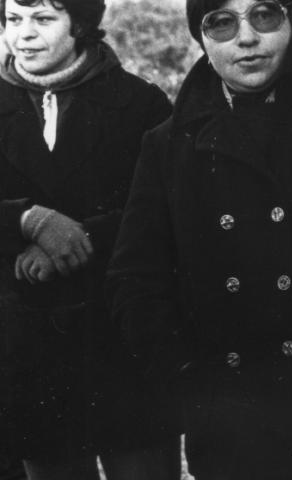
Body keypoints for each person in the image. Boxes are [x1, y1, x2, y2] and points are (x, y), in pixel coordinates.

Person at [106, 0, 292, 479]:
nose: (247, 38)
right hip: (230, 420)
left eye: (265, 15)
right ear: (201, 37)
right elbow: (136, 280)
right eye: (222, 23)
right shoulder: (168, 145)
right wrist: (191, 381)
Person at [0, 0, 179, 478]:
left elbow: (164, 208)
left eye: (43, 19)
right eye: (13, 19)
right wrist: (25, 221)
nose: (24, 35)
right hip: (25, 347)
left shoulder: (139, 103)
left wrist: (81, 237)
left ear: (79, 24)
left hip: (121, 342)